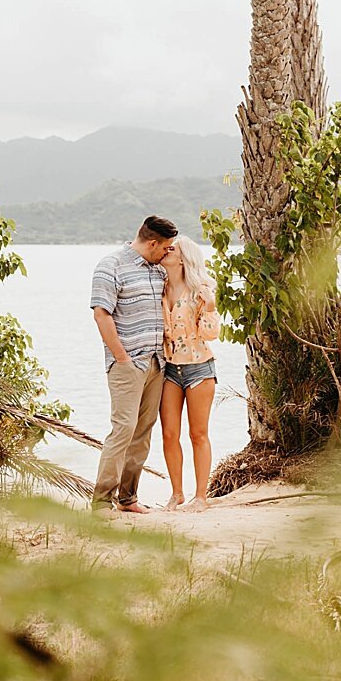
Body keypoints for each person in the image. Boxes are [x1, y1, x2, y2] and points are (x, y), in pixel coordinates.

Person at [90, 215, 175, 513]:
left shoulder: (157, 271)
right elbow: (102, 314)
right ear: (152, 243)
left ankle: (127, 498)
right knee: (123, 429)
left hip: (156, 363)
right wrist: (122, 357)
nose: (168, 253)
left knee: (142, 433)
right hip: (127, 363)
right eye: (166, 247)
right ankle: (101, 502)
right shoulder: (110, 266)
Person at [157, 235, 221, 510]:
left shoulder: (201, 289)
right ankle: (176, 493)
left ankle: (201, 497)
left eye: (171, 249)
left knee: (198, 434)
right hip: (170, 368)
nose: (165, 251)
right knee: (169, 434)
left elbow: (211, 334)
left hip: (199, 369)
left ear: (183, 258)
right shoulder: (158, 287)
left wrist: (210, 307)